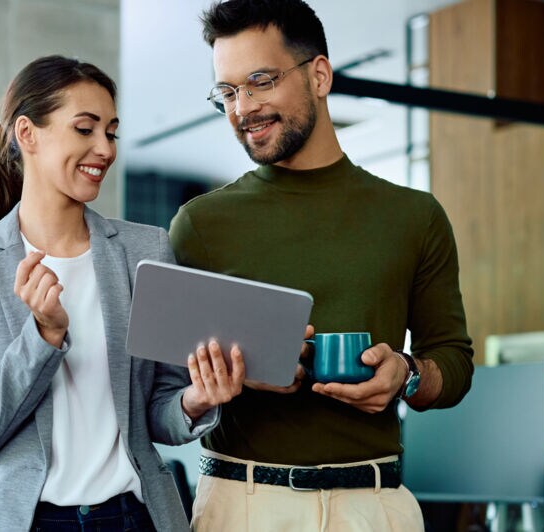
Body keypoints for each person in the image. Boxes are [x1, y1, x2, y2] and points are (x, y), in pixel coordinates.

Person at [168, 1, 474, 530]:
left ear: (319, 75)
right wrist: (231, 377)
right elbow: (168, 390)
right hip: (242, 505)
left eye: (260, 81)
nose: (243, 108)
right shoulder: (200, 225)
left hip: (373, 506)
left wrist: (406, 375)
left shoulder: (414, 217)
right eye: (229, 92)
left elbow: (454, 364)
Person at [0, 55, 245, 531]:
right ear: (27, 134)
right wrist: (43, 337)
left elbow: (158, 410)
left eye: (111, 132)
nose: (105, 148)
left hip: (131, 517)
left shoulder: (146, 248)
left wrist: (195, 401)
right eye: (85, 129)